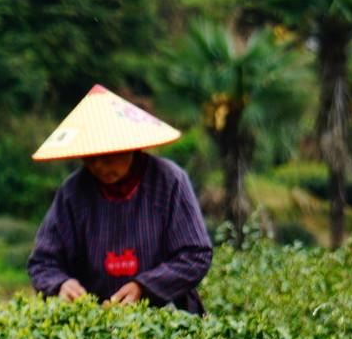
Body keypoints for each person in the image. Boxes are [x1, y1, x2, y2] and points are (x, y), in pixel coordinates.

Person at [27, 85, 213, 314]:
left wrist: (143, 287)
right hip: (96, 320)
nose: (98, 166)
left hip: (167, 316)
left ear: (130, 147)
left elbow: (195, 255)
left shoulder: (170, 181)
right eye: (89, 158)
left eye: (107, 157)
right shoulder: (73, 192)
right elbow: (43, 263)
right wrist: (60, 284)